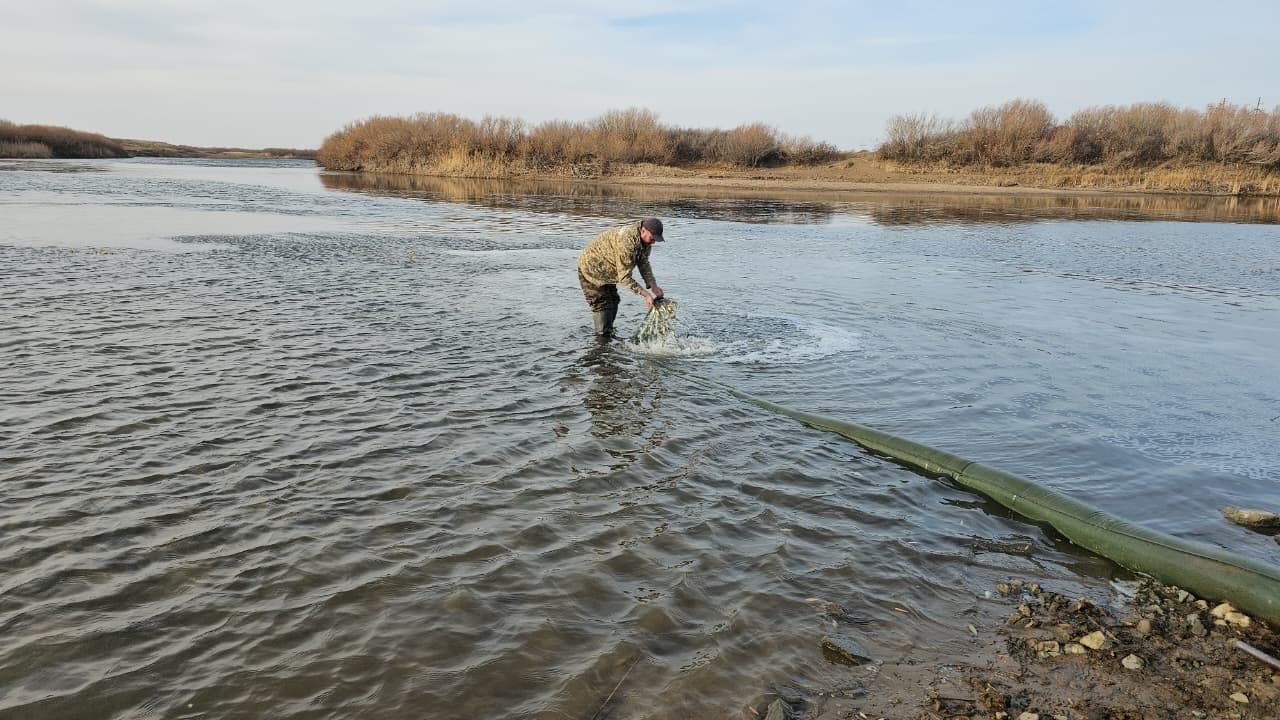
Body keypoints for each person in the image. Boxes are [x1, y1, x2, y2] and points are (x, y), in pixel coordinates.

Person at [576, 217, 666, 337]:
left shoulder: (645, 241)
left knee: (614, 300)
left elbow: (643, 263)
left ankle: (607, 334)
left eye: (656, 239)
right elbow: (624, 278)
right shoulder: (627, 241)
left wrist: (653, 285)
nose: (653, 242)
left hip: (608, 272)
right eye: (652, 238)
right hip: (591, 271)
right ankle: (601, 342)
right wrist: (646, 295)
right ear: (643, 230)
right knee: (602, 304)